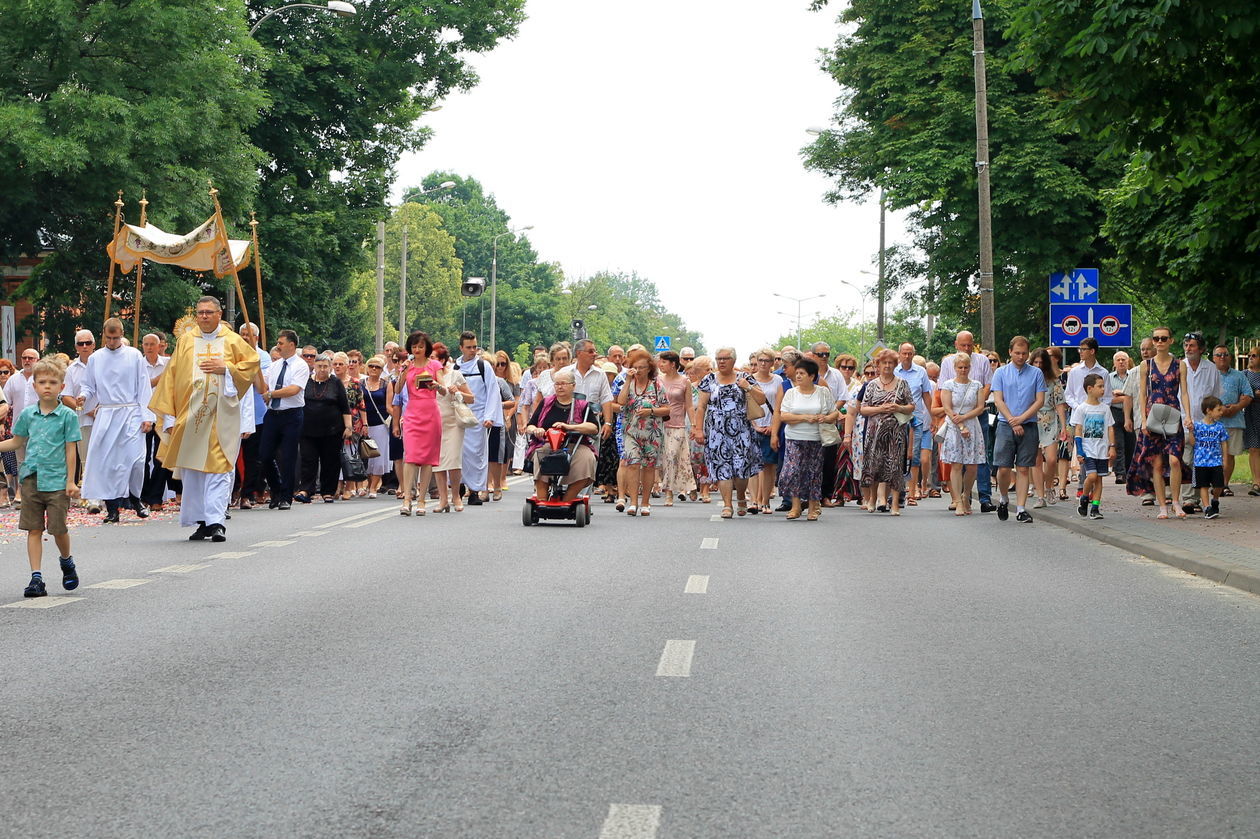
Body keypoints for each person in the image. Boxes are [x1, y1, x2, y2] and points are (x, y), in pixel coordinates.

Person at [149, 298, 259, 541]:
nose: (204, 316)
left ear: (220, 314)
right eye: (200, 313)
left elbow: (251, 364)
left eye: (209, 312)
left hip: (222, 416)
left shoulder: (232, 340)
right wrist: (169, 416)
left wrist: (226, 367)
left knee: (219, 467)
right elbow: (171, 378)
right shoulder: (186, 341)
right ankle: (202, 521)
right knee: (194, 470)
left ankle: (217, 520)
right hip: (191, 416)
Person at [0, 357, 81, 597]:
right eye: (42, 382)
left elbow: (70, 449)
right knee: (33, 529)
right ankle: (36, 578)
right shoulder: (27, 415)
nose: (47, 386)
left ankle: (66, 561)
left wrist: (70, 481)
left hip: (57, 481)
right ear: (34, 386)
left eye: (53, 382)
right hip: (31, 479)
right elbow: (17, 441)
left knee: (57, 529)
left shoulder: (68, 416)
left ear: (61, 387)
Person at [78, 317, 155, 523]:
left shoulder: (134, 355)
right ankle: (112, 509)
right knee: (108, 462)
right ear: (104, 335)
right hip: (107, 413)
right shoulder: (96, 358)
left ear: (122, 335)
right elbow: (89, 385)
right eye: (109, 338)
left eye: (116, 338)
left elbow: (143, 387)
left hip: (131, 412)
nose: (112, 342)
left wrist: (147, 416)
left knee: (136, 459)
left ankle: (135, 497)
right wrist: (84, 396)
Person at [1126, 326, 1193, 520]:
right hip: (1153, 416)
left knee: (1174, 460)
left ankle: (1176, 502)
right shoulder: (1146, 365)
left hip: (1173, 415)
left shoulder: (1180, 365)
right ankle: (1162, 506)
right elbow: (1141, 394)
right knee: (1155, 463)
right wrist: (1143, 420)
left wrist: (1187, 415)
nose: (1160, 342)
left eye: (1164, 338)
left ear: (1171, 340)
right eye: (1156, 339)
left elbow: (1185, 392)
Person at [692, 347, 767, 519]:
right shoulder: (709, 379)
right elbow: (701, 406)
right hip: (717, 430)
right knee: (722, 466)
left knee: (741, 467)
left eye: (725, 358)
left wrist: (748, 387)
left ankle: (741, 497)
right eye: (719, 358)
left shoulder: (744, 377)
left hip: (741, 429)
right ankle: (727, 505)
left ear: (733, 360)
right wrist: (698, 429)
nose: (722, 361)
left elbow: (762, 400)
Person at [772, 356, 838, 521]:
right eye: (797, 373)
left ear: (812, 376)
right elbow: (784, 415)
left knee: (813, 473)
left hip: (815, 438)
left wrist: (826, 418)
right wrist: (804, 418)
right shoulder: (791, 393)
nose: (798, 376)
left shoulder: (822, 392)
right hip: (794, 438)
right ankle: (795, 506)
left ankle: (813, 506)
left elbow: (835, 412)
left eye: (802, 373)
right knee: (792, 472)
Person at [990, 336, 1046, 523]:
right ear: (1010, 352)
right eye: (1017, 353)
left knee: (1023, 468)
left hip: (1028, 424)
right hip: (1006, 424)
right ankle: (1004, 497)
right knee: (1004, 467)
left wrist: (1021, 419)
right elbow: (998, 400)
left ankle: (1021, 508)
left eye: (1024, 353)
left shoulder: (1036, 373)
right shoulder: (1000, 373)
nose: (1021, 357)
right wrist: (1013, 421)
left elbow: (1040, 400)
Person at [389, 331, 444, 515]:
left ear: (427, 348)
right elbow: (397, 390)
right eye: (414, 347)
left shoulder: (435, 365)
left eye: (420, 346)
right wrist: (402, 371)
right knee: (410, 456)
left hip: (431, 412)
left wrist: (437, 385)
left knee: (428, 458)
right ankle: (407, 499)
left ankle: (421, 500)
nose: (417, 349)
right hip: (412, 413)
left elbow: (443, 390)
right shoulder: (409, 366)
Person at [523, 369, 599, 501]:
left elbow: (593, 428)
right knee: (540, 455)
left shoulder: (582, 405)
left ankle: (567, 500)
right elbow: (531, 425)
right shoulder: (546, 403)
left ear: (573, 386)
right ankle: (542, 500)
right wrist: (536, 430)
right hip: (548, 443)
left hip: (576, 444)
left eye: (564, 383)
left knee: (588, 459)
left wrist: (570, 427)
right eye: (557, 384)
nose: (560, 387)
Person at [258, 329, 309, 510]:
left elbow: (294, 389)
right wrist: (255, 371)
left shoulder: (301, 366)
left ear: (291, 345)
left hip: (292, 414)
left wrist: (271, 393)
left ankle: (286, 496)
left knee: (288, 456)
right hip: (273, 414)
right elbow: (262, 387)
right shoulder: (274, 365)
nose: (278, 346)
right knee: (265, 455)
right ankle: (276, 490)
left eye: (281, 343)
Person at [859, 349, 914, 514]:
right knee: (874, 466)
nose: (887, 366)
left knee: (895, 467)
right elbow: (863, 409)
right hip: (874, 433)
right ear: (878, 365)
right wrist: (880, 408)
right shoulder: (871, 385)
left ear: (895, 365)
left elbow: (911, 406)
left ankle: (895, 503)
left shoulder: (902, 383)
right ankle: (872, 500)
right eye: (884, 363)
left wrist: (898, 407)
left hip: (895, 432)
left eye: (890, 363)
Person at [615, 348, 668, 516]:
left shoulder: (657, 384)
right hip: (632, 431)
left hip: (652, 433)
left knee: (649, 466)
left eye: (642, 367)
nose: (638, 370)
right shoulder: (629, 383)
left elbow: (667, 409)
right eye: (635, 367)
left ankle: (645, 502)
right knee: (632, 463)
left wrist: (651, 410)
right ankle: (633, 502)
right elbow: (621, 402)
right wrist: (628, 379)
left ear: (649, 368)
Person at [296, 355, 351, 504]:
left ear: (330, 367)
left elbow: (345, 406)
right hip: (308, 429)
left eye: (325, 366)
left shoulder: (336, 383)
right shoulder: (306, 381)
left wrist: (348, 427)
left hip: (332, 430)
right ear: (314, 366)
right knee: (308, 460)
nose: (322, 369)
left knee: (330, 461)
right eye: (319, 366)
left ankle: (328, 491)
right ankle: (306, 490)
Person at [455, 331, 502, 505]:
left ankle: (475, 490)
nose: (473, 350)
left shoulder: (483, 366)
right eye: (469, 347)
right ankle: (458, 486)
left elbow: (493, 392)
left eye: (475, 347)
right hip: (458, 417)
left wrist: (490, 416)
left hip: (478, 417)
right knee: (457, 453)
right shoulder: (455, 367)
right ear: (461, 348)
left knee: (477, 455)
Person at [939, 352, 987, 515]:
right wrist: (960, 425)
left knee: (972, 466)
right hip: (954, 426)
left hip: (972, 424)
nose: (963, 370)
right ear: (955, 368)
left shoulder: (976, 385)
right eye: (960, 367)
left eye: (966, 367)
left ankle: (966, 494)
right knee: (957, 464)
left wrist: (965, 418)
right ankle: (958, 500)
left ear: (970, 368)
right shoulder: (948, 385)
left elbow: (980, 407)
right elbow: (947, 407)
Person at [1179, 331, 1221, 511]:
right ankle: (1189, 497)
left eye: (1192, 345)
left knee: (1201, 460)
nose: (1188, 349)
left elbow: (1216, 395)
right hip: (1183, 420)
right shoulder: (1179, 366)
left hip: (1205, 423)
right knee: (1186, 459)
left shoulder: (1210, 368)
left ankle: (1196, 498)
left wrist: (1211, 419)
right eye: (1186, 345)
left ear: (1201, 349)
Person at [430, 343, 474, 512]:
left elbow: (471, 398)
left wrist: (458, 392)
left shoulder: (455, 374)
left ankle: (456, 496)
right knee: (438, 462)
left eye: (433, 358)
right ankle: (443, 499)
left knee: (454, 460)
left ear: (442, 360)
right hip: (435, 421)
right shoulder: (426, 377)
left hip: (454, 422)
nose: (430, 361)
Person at [232, 323, 268, 510]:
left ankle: (248, 494)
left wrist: (254, 364)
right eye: (243, 334)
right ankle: (234, 489)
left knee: (252, 457)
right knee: (230, 454)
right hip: (231, 412)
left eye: (250, 335)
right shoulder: (231, 352)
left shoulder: (263, 357)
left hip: (255, 414)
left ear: (257, 338)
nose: (246, 337)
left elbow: (263, 388)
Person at [1070, 373, 1115, 521]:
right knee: (1092, 476)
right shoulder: (1082, 408)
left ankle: (1095, 507)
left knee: (1099, 480)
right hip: (1088, 449)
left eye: (1103, 386)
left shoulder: (1105, 409)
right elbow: (1078, 430)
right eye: (1100, 386)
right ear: (1090, 389)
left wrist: (1112, 446)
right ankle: (1084, 496)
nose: (1103, 389)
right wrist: (1079, 450)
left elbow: (1110, 428)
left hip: (1101, 450)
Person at [893, 342, 933, 506]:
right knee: (896, 455)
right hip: (896, 418)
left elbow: (926, 396)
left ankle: (911, 491)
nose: (907, 356)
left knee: (913, 456)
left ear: (913, 354)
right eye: (904, 353)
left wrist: (933, 417)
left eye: (910, 353)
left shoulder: (921, 372)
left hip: (915, 419)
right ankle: (896, 490)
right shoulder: (894, 371)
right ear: (899, 353)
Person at [1212, 345, 1252, 493]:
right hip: (1213, 422)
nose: (1222, 357)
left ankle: (1224, 484)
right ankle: (1215, 483)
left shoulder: (1239, 375)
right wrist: (1218, 409)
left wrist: (1236, 407)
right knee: (1214, 454)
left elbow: (1248, 395)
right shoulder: (1210, 374)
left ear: (1230, 357)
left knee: (1229, 454)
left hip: (1234, 421)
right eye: (1219, 355)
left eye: (1225, 354)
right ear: (1213, 358)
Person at [1030, 348, 1067, 509]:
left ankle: (1049, 486)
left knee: (1052, 459)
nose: (1038, 365)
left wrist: (1064, 426)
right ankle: (1040, 495)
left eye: (1041, 362)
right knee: (1036, 461)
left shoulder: (1054, 381)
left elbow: (1059, 404)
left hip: (1050, 420)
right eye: (1035, 362)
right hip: (1031, 420)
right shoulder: (1027, 379)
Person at [746, 348, 780, 513]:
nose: (763, 364)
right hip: (754, 426)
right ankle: (753, 500)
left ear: (773, 363)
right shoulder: (749, 380)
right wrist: (755, 425)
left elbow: (780, 405)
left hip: (771, 426)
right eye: (761, 360)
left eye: (767, 361)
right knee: (753, 465)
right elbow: (745, 405)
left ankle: (765, 501)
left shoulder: (778, 380)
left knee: (769, 466)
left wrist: (773, 426)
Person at [332, 351, 367, 499]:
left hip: (353, 423)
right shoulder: (330, 381)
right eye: (335, 364)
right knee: (333, 454)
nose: (338, 366)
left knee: (349, 454)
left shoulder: (355, 383)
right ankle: (335, 486)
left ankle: (349, 486)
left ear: (347, 366)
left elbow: (361, 404)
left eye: (341, 364)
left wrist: (365, 424)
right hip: (333, 422)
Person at [359, 355, 393, 497]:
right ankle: (365, 485)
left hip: (381, 424)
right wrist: (362, 423)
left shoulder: (386, 384)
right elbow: (358, 404)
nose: (374, 369)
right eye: (371, 366)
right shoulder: (360, 383)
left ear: (381, 370)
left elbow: (389, 406)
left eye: (377, 367)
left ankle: (373, 487)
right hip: (363, 424)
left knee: (378, 457)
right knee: (364, 456)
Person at [488, 350, 518, 501]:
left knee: (495, 456)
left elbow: (512, 401)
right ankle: (483, 487)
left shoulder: (499, 382)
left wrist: (497, 405)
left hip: (496, 422)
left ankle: (498, 486)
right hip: (479, 422)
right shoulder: (474, 382)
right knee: (480, 455)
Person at [1192, 395, 1229, 519]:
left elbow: (1224, 443)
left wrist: (1225, 459)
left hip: (1216, 461)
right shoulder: (1197, 426)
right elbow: (1192, 442)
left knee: (1219, 485)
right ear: (1208, 410)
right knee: (1204, 485)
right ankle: (1207, 508)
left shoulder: (1220, 427)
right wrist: (1190, 431)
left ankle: (1215, 499)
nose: (1221, 412)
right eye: (1218, 410)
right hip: (1201, 462)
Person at [1109, 351, 1139, 485]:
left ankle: (1130, 472)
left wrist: (1120, 394)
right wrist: (1126, 396)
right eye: (1118, 360)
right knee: (1118, 444)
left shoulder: (1133, 376)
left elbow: (1135, 396)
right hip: (1114, 413)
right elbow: (1108, 399)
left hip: (1131, 413)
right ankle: (1120, 473)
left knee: (1131, 444)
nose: (1121, 362)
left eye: (1123, 360)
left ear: (1128, 361)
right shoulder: (1109, 378)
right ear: (1114, 363)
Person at [0, 359, 17, 507]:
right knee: (5, 460)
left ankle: (11, 490)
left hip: (11, 425)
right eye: (0, 372)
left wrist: (2, 424)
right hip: (4, 425)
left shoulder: (13, 384)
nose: (3, 375)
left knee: (11, 458)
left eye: (6, 372)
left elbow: (6, 406)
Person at [1244, 347, 1260, 497]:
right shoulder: (1244, 374)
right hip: (1251, 412)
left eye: (1254, 355)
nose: (1250, 358)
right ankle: (1257, 482)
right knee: (1254, 447)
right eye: (1249, 355)